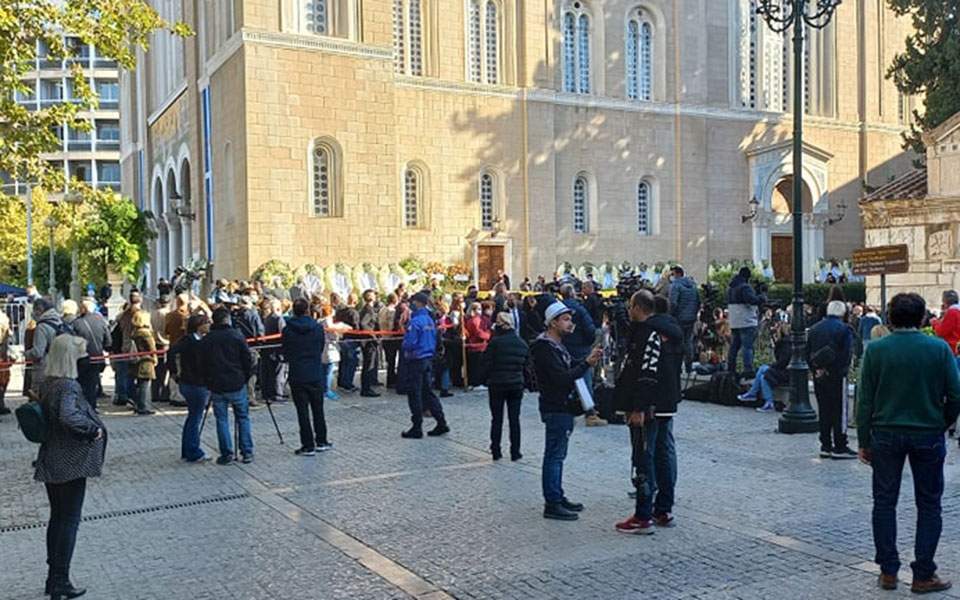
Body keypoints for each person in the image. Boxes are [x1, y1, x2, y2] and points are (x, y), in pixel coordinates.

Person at [858, 293, 960, 594]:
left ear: (890, 318)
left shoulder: (876, 350)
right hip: (928, 432)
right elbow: (955, 394)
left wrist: (864, 440)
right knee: (929, 504)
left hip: (886, 433)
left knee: (884, 502)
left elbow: (864, 401)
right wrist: (941, 422)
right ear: (922, 319)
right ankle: (923, 573)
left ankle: (889, 572)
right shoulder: (938, 348)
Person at [34, 334, 106, 600]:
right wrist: (92, 431)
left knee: (58, 518)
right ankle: (61, 580)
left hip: (54, 457)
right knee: (68, 520)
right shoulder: (67, 387)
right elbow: (68, 416)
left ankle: (53, 578)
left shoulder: (49, 383)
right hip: (69, 461)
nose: (84, 359)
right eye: (80, 354)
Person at [613, 290, 683, 534]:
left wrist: (639, 406)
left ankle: (643, 515)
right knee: (664, 455)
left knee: (645, 456)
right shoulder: (672, 330)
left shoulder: (649, 333)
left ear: (638, 307)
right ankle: (663, 508)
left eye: (631, 306)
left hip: (650, 406)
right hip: (667, 402)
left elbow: (646, 372)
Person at [530, 302, 603, 521]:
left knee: (558, 455)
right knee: (554, 455)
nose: (571, 323)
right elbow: (561, 378)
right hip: (556, 407)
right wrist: (586, 364)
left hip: (562, 407)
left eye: (570, 319)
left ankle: (557, 496)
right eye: (566, 319)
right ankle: (552, 502)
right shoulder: (545, 348)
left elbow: (569, 366)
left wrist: (585, 361)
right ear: (553, 323)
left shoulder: (557, 346)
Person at [201, 308, 254, 464]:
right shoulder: (236, 336)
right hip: (236, 382)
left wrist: (208, 381)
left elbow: (203, 363)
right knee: (243, 418)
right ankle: (247, 451)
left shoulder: (208, 339)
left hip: (217, 384)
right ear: (227, 319)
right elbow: (247, 359)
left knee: (222, 419)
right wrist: (245, 376)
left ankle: (227, 453)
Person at [283, 298, 332, 456]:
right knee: (318, 408)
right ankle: (322, 440)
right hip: (314, 372)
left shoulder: (288, 330)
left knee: (302, 411)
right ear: (307, 311)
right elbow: (320, 347)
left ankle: (308, 444)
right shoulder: (317, 329)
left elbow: (286, 351)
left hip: (297, 373)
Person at [807, 300, 855, 459]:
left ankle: (825, 444)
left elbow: (807, 353)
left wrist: (817, 370)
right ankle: (840, 445)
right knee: (839, 410)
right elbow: (846, 355)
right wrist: (836, 370)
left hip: (819, 376)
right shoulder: (844, 329)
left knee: (824, 409)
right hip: (837, 376)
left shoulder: (814, 329)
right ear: (843, 313)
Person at [400, 293, 450, 439]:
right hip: (428, 358)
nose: (410, 305)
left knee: (414, 393)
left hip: (416, 359)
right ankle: (441, 421)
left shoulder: (415, 322)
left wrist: (405, 346)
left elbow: (410, 342)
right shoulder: (429, 320)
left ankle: (417, 427)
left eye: (412, 302)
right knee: (428, 392)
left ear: (417, 303)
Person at [167, 313, 212, 462]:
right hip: (193, 383)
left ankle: (188, 449)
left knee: (192, 417)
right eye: (206, 323)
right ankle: (193, 451)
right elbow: (171, 351)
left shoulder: (202, 340)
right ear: (199, 326)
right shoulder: (189, 340)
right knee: (195, 418)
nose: (209, 325)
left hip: (195, 382)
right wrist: (174, 372)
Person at [560, 284, 606, 426]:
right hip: (580, 350)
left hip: (563, 349)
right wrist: (587, 344)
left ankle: (565, 410)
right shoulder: (580, 309)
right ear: (574, 294)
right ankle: (590, 414)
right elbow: (590, 330)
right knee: (585, 382)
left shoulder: (558, 309)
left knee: (564, 381)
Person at [485, 312, 528, 461]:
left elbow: (486, 364)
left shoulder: (495, 343)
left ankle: (496, 450)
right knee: (514, 419)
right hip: (516, 384)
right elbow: (527, 366)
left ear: (502, 324)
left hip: (497, 384)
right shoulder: (522, 343)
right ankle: (515, 451)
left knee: (497, 419)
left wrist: (486, 378)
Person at [738, 322, 792, 411]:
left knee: (763, 369)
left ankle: (754, 394)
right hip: (785, 371)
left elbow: (783, 362)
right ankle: (767, 402)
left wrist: (772, 365)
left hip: (786, 372)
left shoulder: (784, 344)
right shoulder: (788, 342)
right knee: (763, 377)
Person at [72, 299, 112, 411]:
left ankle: (81, 407)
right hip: (97, 358)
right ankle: (92, 407)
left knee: (81, 383)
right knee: (92, 384)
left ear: (83, 309)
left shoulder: (77, 323)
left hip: (80, 358)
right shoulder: (101, 321)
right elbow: (108, 342)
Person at [726, 267, 765, 377]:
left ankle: (731, 369)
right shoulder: (744, 287)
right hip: (746, 321)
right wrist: (761, 296)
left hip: (735, 321)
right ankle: (749, 370)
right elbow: (752, 300)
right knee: (747, 347)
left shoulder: (730, 288)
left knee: (734, 347)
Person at [25, 298, 65, 392]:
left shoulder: (42, 327)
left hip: (44, 370)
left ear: (39, 310)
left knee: (41, 399)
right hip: (61, 367)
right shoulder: (60, 323)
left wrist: (26, 354)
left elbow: (38, 352)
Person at [668, 266, 701, 374]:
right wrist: (694, 314)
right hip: (691, 318)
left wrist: (671, 315)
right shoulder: (693, 286)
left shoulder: (676, 286)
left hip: (679, 318)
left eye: (673, 274)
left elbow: (673, 303)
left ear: (678, 274)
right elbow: (698, 302)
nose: (671, 277)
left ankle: (677, 366)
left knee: (677, 342)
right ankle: (689, 366)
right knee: (688, 342)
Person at [130, 310, 157, 415]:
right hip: (146, 361)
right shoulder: (146, 333)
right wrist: (155, 358)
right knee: (144, 385)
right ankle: (143, 406)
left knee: (140, 384)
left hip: (138, 359)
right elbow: (152, 347)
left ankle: (138, 405)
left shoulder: (135, 332)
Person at [260, 298, 286, 403]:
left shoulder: (268, 318)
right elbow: (283, 334)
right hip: (277, 349)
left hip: (269, 349)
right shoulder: (278, 319)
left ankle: (270, 393)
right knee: (278, 373)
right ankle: (278, 394)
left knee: (271, 373)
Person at [358, 289, 381, 398]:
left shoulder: (369, 309)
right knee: (368, 365)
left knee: (368, 364)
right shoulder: (368, 310)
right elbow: (364, 324)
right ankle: (366, 389)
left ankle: (367, 387)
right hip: (369, 342)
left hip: (369, 341)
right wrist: (373, 337)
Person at [336, 293, 361, 393]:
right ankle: (348, 384)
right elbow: (356, 327)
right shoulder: (353, 313)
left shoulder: (340, 312)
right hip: (351, 339)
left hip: (342, 338)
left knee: (343, 361)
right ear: (355, 301)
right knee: (351, 362)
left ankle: (341, 381)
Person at [463, 301, 491, 389]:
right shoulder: (475, 320)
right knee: (477, 366)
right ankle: (477, 383)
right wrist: (488, 335)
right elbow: (479, 333)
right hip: (478, 345)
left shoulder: (471, 319)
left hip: (474, 345)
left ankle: (474, 383)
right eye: (479, 309)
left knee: (474, 365)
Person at [150, 295, 172, 404]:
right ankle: (164, 394)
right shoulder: (169, 314)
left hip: (155, 344)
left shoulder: (152, 314)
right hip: (166, 343)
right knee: (166, 372)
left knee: (156, 371)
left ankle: (154, 394)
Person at [932, 290, 960, 362]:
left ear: (945, 301)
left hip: (952, 348)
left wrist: (934, 322)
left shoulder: (952, 312)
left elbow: (941, 331)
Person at [378, 293, 399, 387]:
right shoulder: (391, 311)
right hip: (390, 338)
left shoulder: (382, 309)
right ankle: (391, 381)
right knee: (391, 360)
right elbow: (391, 325)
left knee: (388, 360)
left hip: (383, 336)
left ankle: (390, 378)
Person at [0, 312, 11, 416]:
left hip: (2, 355)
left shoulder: (2, 317)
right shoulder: (3, 317)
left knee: (3, 380)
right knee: (2, 381)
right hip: (2, 355)